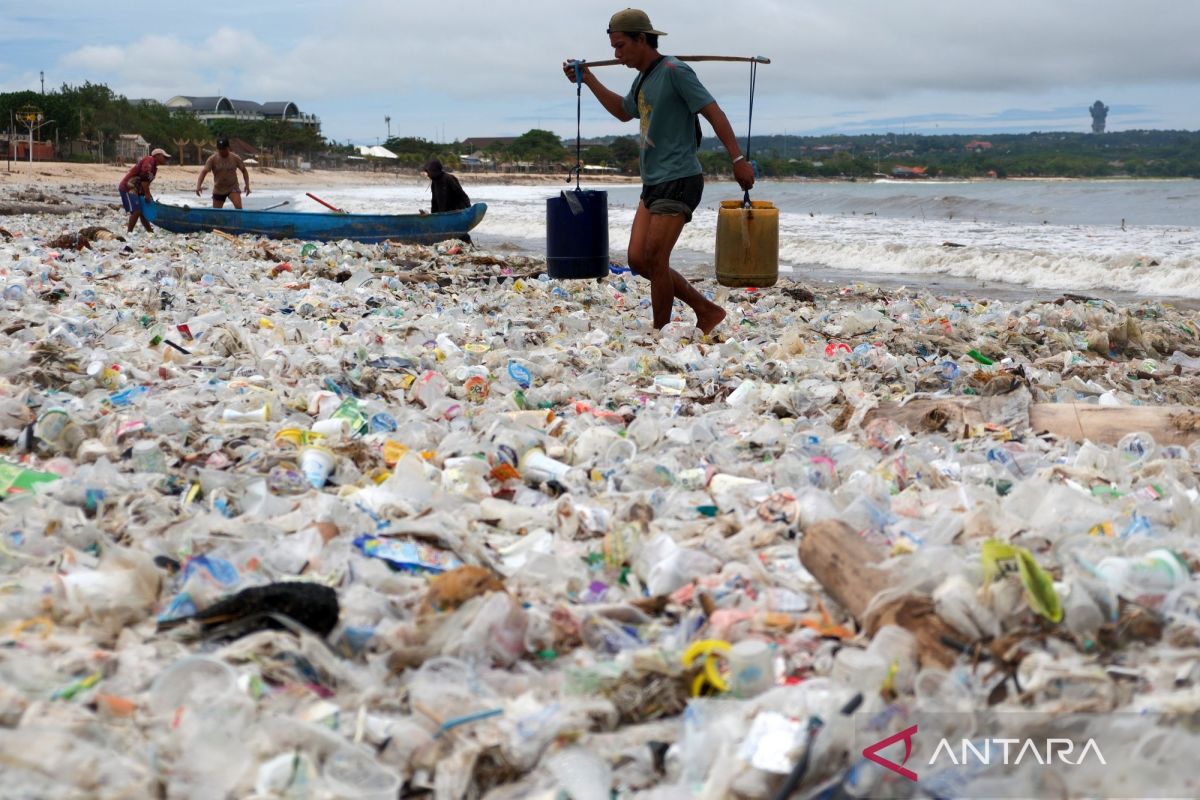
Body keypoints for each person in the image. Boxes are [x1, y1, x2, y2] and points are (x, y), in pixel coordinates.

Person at [564, 9, 754, 335]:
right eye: (614, 48)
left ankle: (659, 332)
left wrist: (738, 159)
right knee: (638, 260)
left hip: (679, 178)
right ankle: (706, 310)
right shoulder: (642, 79)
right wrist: (588, 79)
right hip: (653, 181)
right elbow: (623, 112)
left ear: (641, 39)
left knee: (655, 257)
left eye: (621, 46)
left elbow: (713, 112)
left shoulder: (675, 71)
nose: (617, 55)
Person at [119, 147, 170, 233]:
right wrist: (147, 193)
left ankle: (149, 231)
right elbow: (144, 177)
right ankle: (129, 232)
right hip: (128, 188)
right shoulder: (150, 160)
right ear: (157, 156)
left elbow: (146, 183)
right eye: (164, 157)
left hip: (138, 189)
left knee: (143, 211)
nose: (166, 159)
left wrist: (148, 194)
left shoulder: (154, 167)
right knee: (137, 210)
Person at [422, 158, 472, 243]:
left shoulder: (449, 178)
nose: (427, 174)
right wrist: (434, 217)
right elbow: (434, 201)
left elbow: (462, 195)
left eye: (429, 172)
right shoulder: (434, 182)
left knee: (461, 234)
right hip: (444, 214)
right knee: (448, 236)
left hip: (456, 213)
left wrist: (469, 210)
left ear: (435, 170)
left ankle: (470, 246)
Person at [196, 136, 251, 208]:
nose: (222, 151)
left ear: (228, 148)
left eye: (224, 149)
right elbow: (203, 172)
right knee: (216, 212)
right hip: (219, 189)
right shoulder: (212, 159)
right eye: (220, 149)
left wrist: (247, 185)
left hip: (232, 187)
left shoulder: (235, 158)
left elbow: (244, 171)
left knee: (238, 208)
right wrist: (198, 186)